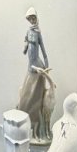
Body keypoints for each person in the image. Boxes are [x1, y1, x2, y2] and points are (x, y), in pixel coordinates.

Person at [17, 8, 56, 143]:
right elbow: (26, 44)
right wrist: (25, 46)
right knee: (25, 98)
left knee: (36, 100)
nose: (32, 20)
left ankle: (37, 130)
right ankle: (23, 126)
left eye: (33, 18)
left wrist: (46, 66)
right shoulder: (29, 32)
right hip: (31, 67)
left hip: (38, 68)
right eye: (30, 19)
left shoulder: (38, 33)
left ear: (36, 18)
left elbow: (43, 50)